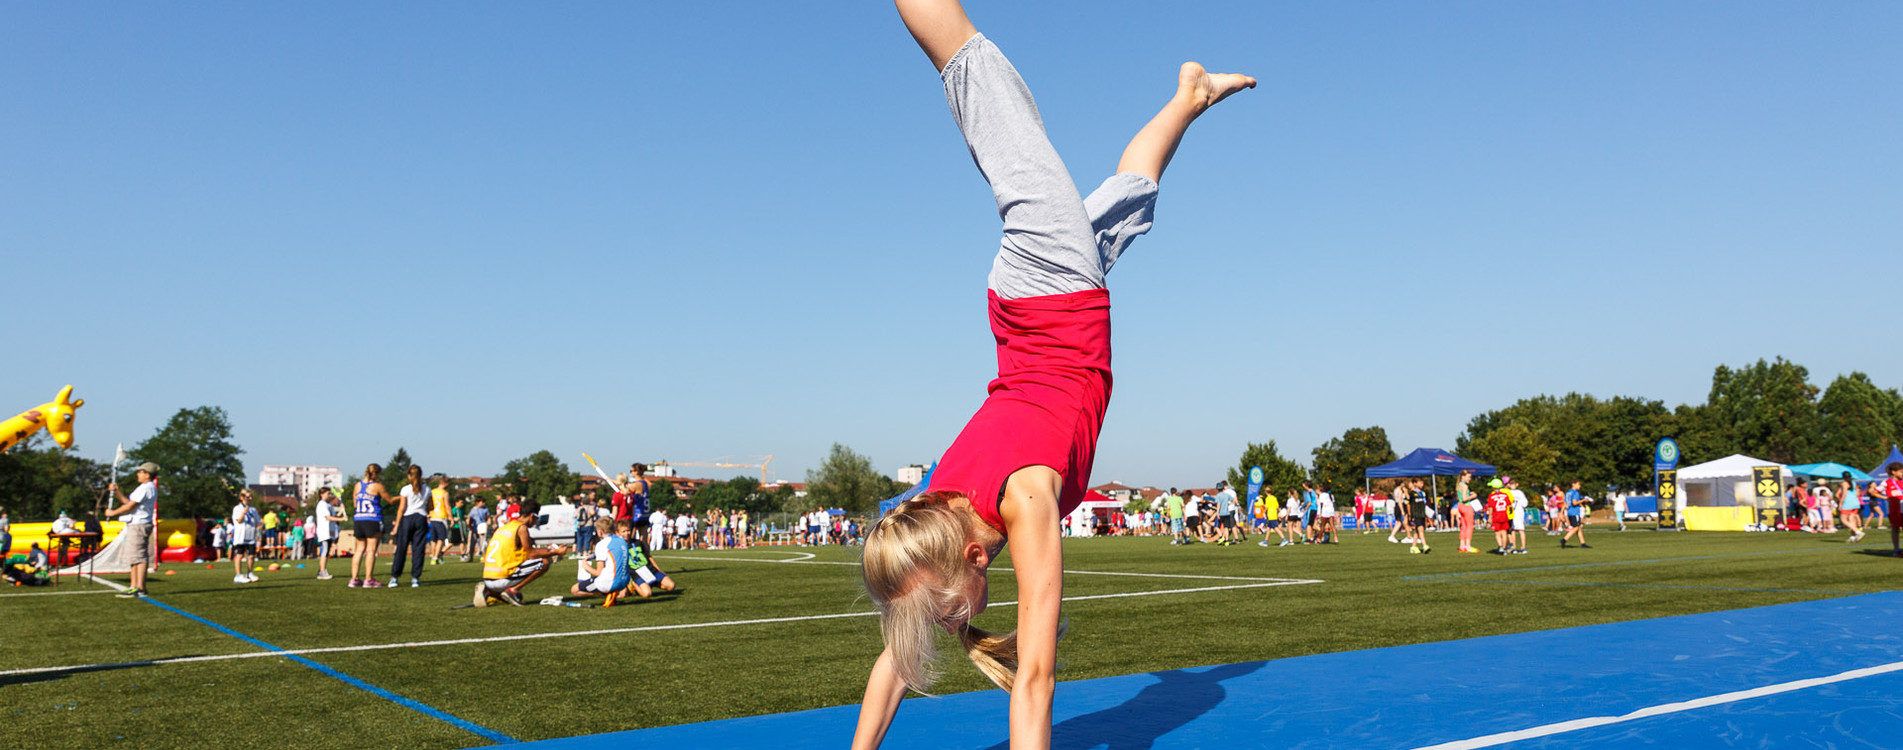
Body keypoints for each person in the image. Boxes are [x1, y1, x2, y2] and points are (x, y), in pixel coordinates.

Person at [853, 4, 1254, 745]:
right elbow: (898, 661)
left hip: (1049, 292)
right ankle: (1190, 97)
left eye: (948, 612)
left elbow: (1034, 680)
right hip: (1044, 306)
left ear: (974, 559)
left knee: (986, 98)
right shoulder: (933, 512)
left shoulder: (1025, 499)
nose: (950, 624)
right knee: (1131, 196)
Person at [475, 500, 568, 607]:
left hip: (488, 578)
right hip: (502, 578)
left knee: (527, 565)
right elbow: (532, 554)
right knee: (544, 562)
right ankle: (513, 591)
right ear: (532, 516)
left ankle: (490, 592)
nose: (536, 521)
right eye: (537, 518)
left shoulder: (504, 527)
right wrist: (555, 552)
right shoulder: (521, 527)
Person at [104, 462, 162, 598]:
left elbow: (129, 506)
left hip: (138, 525)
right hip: (137, 524)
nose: (138, 474)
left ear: (147, 474)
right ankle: (134, 585)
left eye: (141, 471)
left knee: (139, 557)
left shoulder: (145, 487)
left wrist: (112, 513)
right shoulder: (146, 487)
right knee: (134, 557)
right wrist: (116, 492)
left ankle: (139, 587)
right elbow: (128, 502)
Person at [350, 463, 393, 588]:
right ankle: (368, 579)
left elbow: (354, 504)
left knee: (358, 550)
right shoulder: (377, 486)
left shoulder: (357, 485)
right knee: (371, 550)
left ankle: (354, 579)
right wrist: (402, 498)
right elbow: (389, 499)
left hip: (359, 519)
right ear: (376, 473)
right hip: (372, 519)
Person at [387, 466, 431, 588]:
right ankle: (415, 578)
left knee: (401, 548)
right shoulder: (427, 489)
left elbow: (401, 508)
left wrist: (396, 526)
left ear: (409, 476)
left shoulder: (405, 489)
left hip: (407, 518)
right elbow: (430, 507)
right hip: (421, 518)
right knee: (418, 549)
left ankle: (394, 578)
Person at [570, 518, 630, 603]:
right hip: (624, 582)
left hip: (609, 582)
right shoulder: (622, 541)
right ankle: (611, 592)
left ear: (599, 531)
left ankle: (607, 593)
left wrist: (586, 567)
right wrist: (594, 555)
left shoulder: (601, 544)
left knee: (575, 590)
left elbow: (599, 572)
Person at [229, 489, 259, 584]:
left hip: (251, 536)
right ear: (242, 498)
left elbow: (258, 521)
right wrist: (244, 513)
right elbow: (238, 520)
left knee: (251, 555)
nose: (250, 498)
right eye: (248, 497)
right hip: (241, 536)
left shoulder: (253, 509)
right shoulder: (237, 508)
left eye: (251, 497)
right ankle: (238, 575)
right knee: (240, 554)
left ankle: (249, 573)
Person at [427, 475, 453, 564]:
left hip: (433, 517)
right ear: (446, 483)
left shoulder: (432, 491)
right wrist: (451, 517)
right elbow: (447, 506)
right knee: (440, 539)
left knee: (433, 539)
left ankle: (433, 556)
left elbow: (428, 503)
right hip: (441, 517)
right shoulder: (444, 493)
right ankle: (435, 557)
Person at [1560, 480, 1590, 549]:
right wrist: (1583, 500)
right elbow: (1574, 503)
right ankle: (1564, 540)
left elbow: (1565, 503)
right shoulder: (1575, 492)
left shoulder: (1568, 492)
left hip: (1569, 512)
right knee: (1576, 527)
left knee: (1579, 528)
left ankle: (1583, 543)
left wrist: (1561, 513)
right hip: (1575, 512)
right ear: (1573, 484)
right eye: (1578, 484)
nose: (1580, 486)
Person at [1485, 478, 1512, 554]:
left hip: (1496, 516)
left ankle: (1500, 546)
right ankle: (1504, 548)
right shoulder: (1505, 495)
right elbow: (1509, 505)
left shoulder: (1491, 496)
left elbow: (1490, 508)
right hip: (1504, 515)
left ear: (1493, 487)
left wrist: (1489, 517)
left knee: (1497, 533)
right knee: (1504, 533)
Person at [1881, 465, 1903, 556]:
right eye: (1901, 472)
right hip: (1894, 509)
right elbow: (1873, 491)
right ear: (1894, 472)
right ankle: (1896, 549)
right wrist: (1886, 497)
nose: (1902, 474)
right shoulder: (1887, 482)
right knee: (1895, 528)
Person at [1507, 476, 1530, 555]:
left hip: (1511, 513)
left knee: (1513, 530)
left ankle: (1515, 547)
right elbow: (1525, 504)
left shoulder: (1508, 492)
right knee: (1521, 531)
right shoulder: (1520, 493)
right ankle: (1523, 547)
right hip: (1519, 513)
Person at [1839, 473, 1865, 543]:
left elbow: (1844, 494)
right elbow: (1857, 493)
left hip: (1848, 503)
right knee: (1852, 520)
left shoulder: (1844, 483)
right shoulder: (1853, 483)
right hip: (1855, 502)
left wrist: (1840, 503)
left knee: (1843, 519)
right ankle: (1853, 536)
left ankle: (1858, 532)